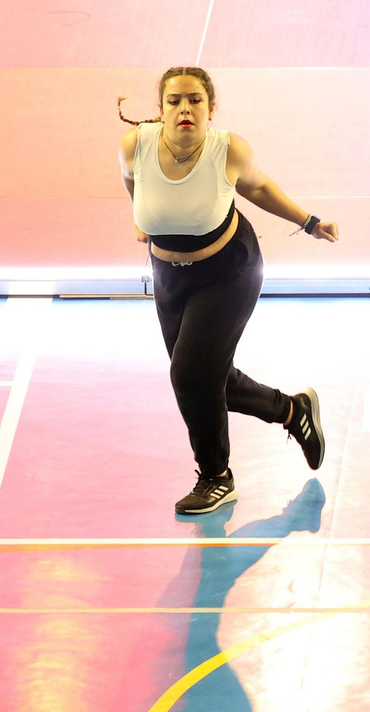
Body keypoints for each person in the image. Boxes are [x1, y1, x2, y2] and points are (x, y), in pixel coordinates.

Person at [116, 67, 336, 515]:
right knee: (202, 375)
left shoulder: (227, 149)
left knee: (189, 377)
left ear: (210, 109)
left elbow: (257, 187)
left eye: (195, 100)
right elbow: (133, 183)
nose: (184, 109)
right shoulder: (134, 145)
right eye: (174, 100)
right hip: (169, 275)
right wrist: (146, 217)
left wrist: (308, 222)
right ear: (160, 110)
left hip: (229, 272)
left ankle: (216, 477)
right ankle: (293, 412)